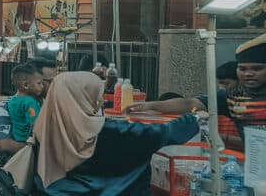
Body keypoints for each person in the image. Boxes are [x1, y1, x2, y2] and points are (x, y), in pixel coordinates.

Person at [35, 72, 198, 195]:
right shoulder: (109, 131)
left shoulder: (42, 128)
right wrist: (196, 119)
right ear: (82, 98)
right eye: (96, 95)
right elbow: (162, 134)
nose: (101, 100)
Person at [125, 32, 266, 150]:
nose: (248, 74)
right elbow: (190, 104)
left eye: (257, 69)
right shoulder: (232, 98)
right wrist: (152, 105)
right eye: (243, 69)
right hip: (254, 168)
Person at [0, 57, 57, 155]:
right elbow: (3, 145)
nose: (54, 85)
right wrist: (41, 151)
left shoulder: (51, 105)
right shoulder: (2, 108)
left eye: (56, 81)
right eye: (50, 81)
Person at [7, 64, 43, 142]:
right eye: (39, 83)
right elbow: (35, 124)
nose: (42, 86)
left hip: (17, 139)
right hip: (28, 142)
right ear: (25, 85)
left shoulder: (12, 101)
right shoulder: (30, 103)